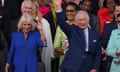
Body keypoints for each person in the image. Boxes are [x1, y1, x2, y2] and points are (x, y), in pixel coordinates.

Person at [54, 0, 101, 72]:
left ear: (88, 21)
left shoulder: (95, 35)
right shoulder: (72, 30)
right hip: (72, 67)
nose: (82, 22)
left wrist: (95, 68)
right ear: (76, 21)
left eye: (84, 20)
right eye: (80, 20)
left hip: (88, 67)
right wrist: (58, 7)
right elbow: (62, 22)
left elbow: (98, 54)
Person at [54, 2, 79, 72]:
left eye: (72, 11)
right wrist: (66, 52)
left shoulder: (83, 24)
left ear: (77, 12)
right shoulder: (61, 27)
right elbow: (56, 47)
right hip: (65, 62)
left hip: (80, 63)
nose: (69, 13)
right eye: (67, 11)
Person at [32, 1, 54, 72]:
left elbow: (48, 41)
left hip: (42, 53)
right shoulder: (23, 21)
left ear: (37, 8)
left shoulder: (44, 22)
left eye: (33, 7)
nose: (31, 9)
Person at [102, 3, 120, 72]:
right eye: (117, 11)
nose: (119, 12)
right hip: (112, 60)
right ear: (114, 12)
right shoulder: (108, 26)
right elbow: (104, 43)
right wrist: (116, 51)